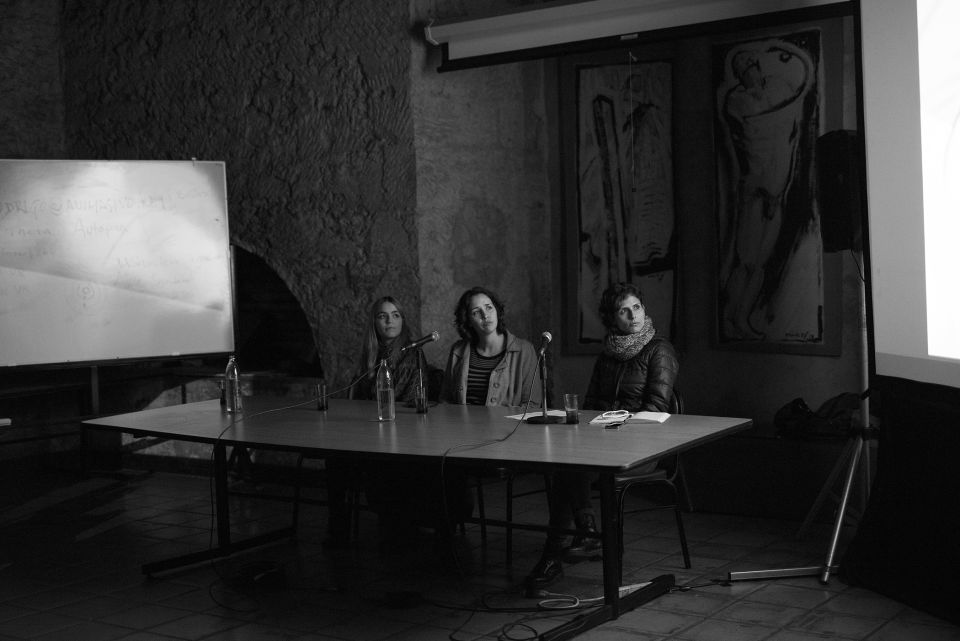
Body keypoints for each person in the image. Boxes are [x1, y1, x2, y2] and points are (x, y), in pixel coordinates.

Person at [524, 282, 679, 593]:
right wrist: (589, 427)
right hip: (601, 442)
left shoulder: (659, 349)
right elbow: (591, 404)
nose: (633, 315)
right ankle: (581, 535)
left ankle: (564, 548)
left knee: (571, 470)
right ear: (612, 319)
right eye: (624, 310)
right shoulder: (607, 355)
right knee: (567, 464)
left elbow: (656, 408)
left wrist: (616, 428)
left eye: (637, 307)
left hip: (644, 447)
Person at [324, 296, 431, 548]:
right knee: (335, 458)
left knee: (387, 465)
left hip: (402, 435)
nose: (389, 321)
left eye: (395, 315)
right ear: (374, 322)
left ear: (403, 320)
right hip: (368, 430)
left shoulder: (412, 353)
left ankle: (394, 529)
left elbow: (409, 400)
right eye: (383, 316)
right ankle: (338, 527)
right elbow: (358, 399)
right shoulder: (370, 355)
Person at [441, 286, 541, 408]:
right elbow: (445, 401)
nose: (485, 315)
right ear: (468, 321)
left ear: (497, 311)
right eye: (476, 312)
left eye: (489, 307)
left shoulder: (524, 350)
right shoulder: (458, 350)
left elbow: (532, 404)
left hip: (506, 421)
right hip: (461, 421)